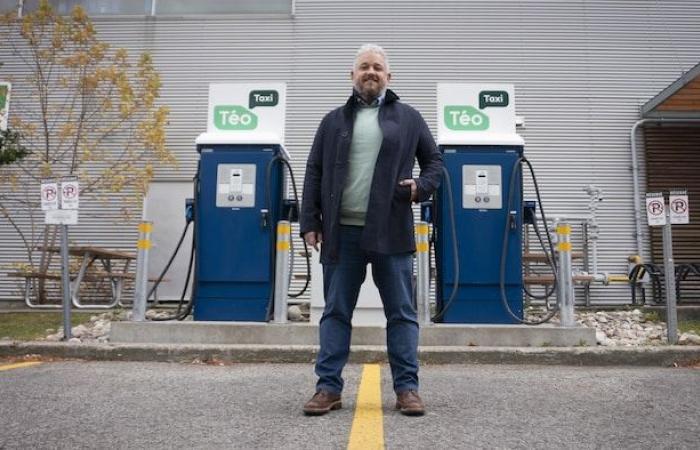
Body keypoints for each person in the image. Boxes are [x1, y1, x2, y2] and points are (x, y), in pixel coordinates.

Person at [300, 44, 443, 416]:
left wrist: (419, 187)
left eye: (378, 67)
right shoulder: (333, 121)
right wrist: (310, 222)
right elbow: (313, 170)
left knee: (401, 313)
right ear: (352, 75)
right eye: (364, 67)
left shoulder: (408, 118)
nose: (371, 72)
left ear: (388, 77)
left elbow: (435, 163)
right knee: (335, 312)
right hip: (341, 233)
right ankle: (328, 388)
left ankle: (407, 389)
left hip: (391, 231)